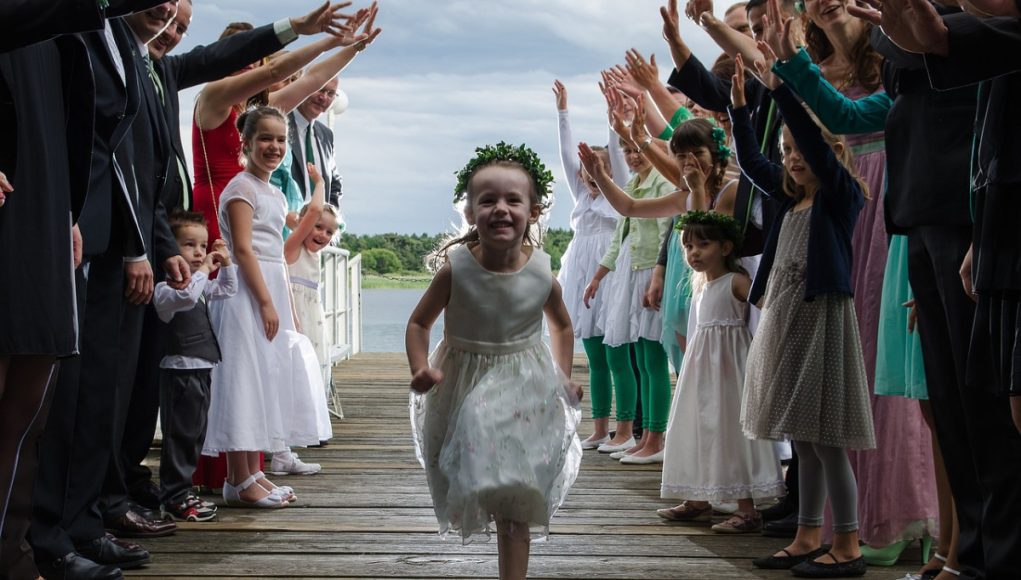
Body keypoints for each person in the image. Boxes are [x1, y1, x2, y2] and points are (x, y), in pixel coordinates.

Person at [406, 142, 583, 580]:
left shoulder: (543, 273)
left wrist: (565, 375)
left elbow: (561, 326)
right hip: (463, 380)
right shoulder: (456, 269)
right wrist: (419, 368)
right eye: (487, 200)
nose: (500, 209)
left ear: (534, 211)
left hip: (524, 382)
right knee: (479, 480)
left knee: (515, 494)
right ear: (469, 211)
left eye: (512, 200)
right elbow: (417, 324)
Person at [729, 56, 875, 576]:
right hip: (787, 321)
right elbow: (750, 160)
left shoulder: (839, 197)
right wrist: (741, 108)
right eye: (786, 150)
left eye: (799, 150)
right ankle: (807, 533)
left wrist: (785, 90)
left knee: (827, 437)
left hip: (821, 319)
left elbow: (814, 145)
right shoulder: (790, 203)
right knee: (803, 437)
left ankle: (849, 544)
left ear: (830, 151)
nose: (791, 159)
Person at [200, 106, 327, 509]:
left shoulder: (273, 192)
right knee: (243, 376)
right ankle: (237, 478)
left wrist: (286, 306)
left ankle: (252, 473)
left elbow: (277, 256)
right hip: (245, 293)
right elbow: (242, 249)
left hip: (270, 284)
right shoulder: (241, 189)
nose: (274, 147)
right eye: (266, 139)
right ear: (247, 143)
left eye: (280, 139)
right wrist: (267, 302)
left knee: (264, 377)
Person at [658, 211, 784, 533]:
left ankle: (747, 508)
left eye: (703, 244)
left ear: (726, 248)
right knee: (699, 427)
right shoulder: (701, 286)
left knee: (730, 432)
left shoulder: (736, 281)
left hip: (730, 370)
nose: (693, 253)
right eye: (688, 247)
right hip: (702, 371)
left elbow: (768, 311)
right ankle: (699, 498)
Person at [582, 132, 674, 464]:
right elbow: (618, 239)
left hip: (650, 272)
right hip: (628, 273)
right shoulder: (633, 186)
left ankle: (655, 437)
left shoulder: (664, 184)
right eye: (627, 151)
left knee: (653, 361)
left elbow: (667, 232)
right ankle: (645, 436)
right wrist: (597, 277)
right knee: (642, 359)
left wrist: (659, 276)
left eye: (637, 149)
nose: (633, 156)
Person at [550, 80, 628, 450]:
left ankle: (626, 429)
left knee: (617, 358)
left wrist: (612, 119)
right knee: (595, 357)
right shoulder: (581, 195)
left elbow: (615, 150)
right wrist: (563, 112)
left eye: (596, 168)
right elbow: (567, 156)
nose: (587, 173)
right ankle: (599, 427)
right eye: (585, 169)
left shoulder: (618, 195)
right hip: (582, 278)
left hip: (610, 276)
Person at [153, 211, 237, 522]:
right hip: (180, 369)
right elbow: (187, 297)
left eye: (202, 246)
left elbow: (227, 290)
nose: (199, 252)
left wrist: (225, 265)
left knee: (195, 433)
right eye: (189, 245)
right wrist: (203, 270)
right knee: (181, 435)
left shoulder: (198, 282)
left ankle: (182, 491)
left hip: (201, 368)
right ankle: (174, 494)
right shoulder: (166, 289)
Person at [282, 165, 341, 465]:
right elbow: (313, 211)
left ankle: (311, 427)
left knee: (316, 371)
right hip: (296, 318)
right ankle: (292, 430)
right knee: (296, 372)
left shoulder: (316, 255)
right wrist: (319, 182)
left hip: (313, 318)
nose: (323, 235)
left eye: (329, 231)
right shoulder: (293, 250)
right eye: (317, 227)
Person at [288, 76, 344, 206]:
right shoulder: (280, 123)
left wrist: (330, 213)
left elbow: (334, 183)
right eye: (320, 89)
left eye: (330, 94)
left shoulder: (326, 135)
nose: (323, 98)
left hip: (317, 223)